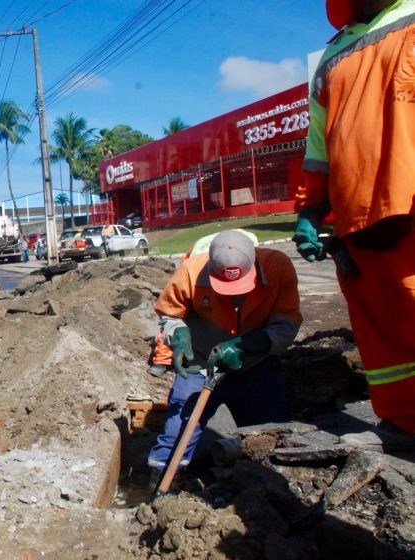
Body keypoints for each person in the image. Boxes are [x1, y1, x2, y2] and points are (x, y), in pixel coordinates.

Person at [294, 0, 415, 433]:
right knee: (381, 327)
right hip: (354, 218)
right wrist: (310, 208)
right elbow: (319, 146)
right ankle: (404, 423)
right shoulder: (331, 57)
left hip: (408, 202)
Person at [147, 230, 301, 477]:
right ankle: (162, 479)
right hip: (200, 363)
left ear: (254, 263)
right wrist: (177, 334)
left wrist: (256, 342)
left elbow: (288, 322)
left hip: (254, 364)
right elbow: (169, 313)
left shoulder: (278, 266)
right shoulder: (191, 271)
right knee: (178, 428)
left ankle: (267, 483)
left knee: (269, 434)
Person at [147, 229, 260, 378]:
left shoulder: (252, 248)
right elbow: (171, 310)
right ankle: (163, 360)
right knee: (178, 322)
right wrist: (176, 332)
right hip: (197, 273)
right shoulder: (191, 267)